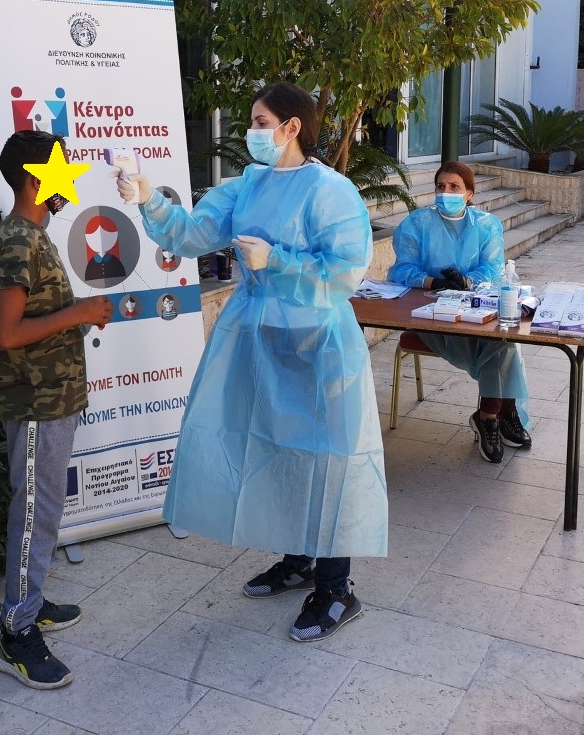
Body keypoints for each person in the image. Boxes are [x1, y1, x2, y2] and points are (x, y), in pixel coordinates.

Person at [115, 82, 387, 643]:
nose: (252, 132)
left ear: (292, 127)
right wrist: (147, 197)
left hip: (316, 343)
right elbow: (191, 234)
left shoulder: (330, 191)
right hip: (259, 336)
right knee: (274, 447)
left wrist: (278, 260)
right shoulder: (247, 185)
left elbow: (346, 271)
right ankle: (298, 559)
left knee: (325, 458)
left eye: (261, 122)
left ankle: (337, 587)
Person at [0, 130, 113, 689]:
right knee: (35, 511)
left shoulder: (33, 235)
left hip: (53, 399)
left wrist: (76, 311)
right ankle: (15, 632)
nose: (70, 179)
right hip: (35, 403)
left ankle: (31, 603)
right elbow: (7, 333)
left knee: (46, 508)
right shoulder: (19, 240)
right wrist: (79, 312)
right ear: (36, 179)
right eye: (62, 168)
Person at [387, 161, 533, 463]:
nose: (446, 192)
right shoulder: (417, 223)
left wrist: (467, 282)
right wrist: (433, 282)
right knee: (502, 345)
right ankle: (498, 412)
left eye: (454, 187)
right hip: (429, 313)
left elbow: (492, 269)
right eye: (441, 186)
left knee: (501, 338)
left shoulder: (486, 224)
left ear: (469, 193)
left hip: (476, 308)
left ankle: (491, 414)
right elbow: (401, 269)